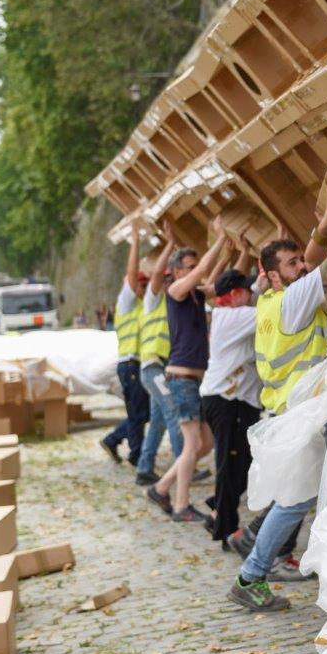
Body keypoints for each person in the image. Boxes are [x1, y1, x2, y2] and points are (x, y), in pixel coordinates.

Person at [228, 174, 327, 612]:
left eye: (300, 261)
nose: (301, 267)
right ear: (272, 276)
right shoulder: (291, 299)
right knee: (296, 500)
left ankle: (257, 559)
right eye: (291, 264)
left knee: (305, 496)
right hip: (303, 414)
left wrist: (325, 225)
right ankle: (251, 575)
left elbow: (314, 260)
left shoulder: (266, 303)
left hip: (293, 412)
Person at [145, 219, 231, 522]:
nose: (195, 270)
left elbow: (218, 281)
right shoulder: (176, 290)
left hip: (196, 380)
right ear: (177, 271)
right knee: (193, 445)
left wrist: (232, 251)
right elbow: (202, 273)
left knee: (203, 444)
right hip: (181, 379)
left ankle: (162, 487)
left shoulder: (194, 293)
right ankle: (181, 505)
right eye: (190, 266)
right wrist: (219, 241)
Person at [200, 261, 264, 545]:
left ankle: (219, 505)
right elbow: (269, 309)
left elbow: (258, 295)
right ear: (235, 294)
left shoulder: (233, 312)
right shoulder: (229, 317)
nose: (251, 294)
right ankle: (226, 528)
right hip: (224, 400)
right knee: (229, 463)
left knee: (243, 463)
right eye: (246, 290)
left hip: (238, 401)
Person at [100, 224, 151, 467]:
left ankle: (116, 440)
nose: (143, 288)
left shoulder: (141, 305)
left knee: (143, 412)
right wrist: (135, 242)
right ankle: (135, 454)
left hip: (135, 365)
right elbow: (132, 274)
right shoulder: (127, 301)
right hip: (130, 365)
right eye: (141, 285)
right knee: (139, 413)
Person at [134, 226, 180, 486]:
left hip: (158, 367)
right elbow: (155, 278)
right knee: (173, 412)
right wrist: (170, 246)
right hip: (152, 367)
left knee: (159, 421)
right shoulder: (152, 300)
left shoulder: (169, 302)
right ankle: (183, 464)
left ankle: (144, 468)